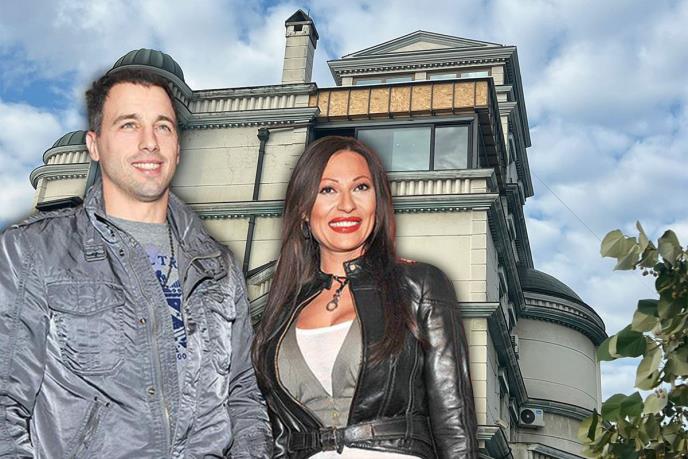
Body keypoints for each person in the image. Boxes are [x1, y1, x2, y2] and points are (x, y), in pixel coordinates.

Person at [0, 68, 271, 458]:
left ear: (178, 147)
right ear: (94, 144)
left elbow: (242, 395)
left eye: (163, 127)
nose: (150, 142)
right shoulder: (34, 250)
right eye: (129, 125)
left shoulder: (218, 266)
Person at [252, 136, 478, 458]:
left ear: (378, 201)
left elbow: (454, 422)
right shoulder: (278, 316)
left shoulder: (420, 285)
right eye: (327, 190)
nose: (347, 205)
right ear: (303, 209)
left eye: (360, 187)